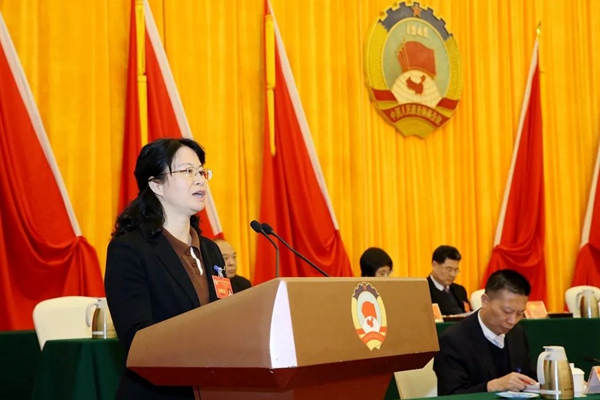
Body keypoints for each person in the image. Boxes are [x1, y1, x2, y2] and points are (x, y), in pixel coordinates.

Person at [104, 138, 226, 400]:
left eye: (201, 171)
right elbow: (138, 339)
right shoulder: (129, 250)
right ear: (156, 184)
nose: (200, 180)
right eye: (187, 171)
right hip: (159, 393)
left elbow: (226, 315)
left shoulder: (211, 251)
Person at [433, 269, 537, 395]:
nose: (512, 321)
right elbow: (451, 394)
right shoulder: (453, 340)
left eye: (520, 313)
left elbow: (529, 376)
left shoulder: (517, 333)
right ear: (485, 301)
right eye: (507, 311)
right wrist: (492, 386)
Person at [427, 245, 471, 315]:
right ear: (434, 265)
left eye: (456, 270)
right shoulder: (423, 290)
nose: (453, 274)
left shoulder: (459, 290)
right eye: (449, 270)